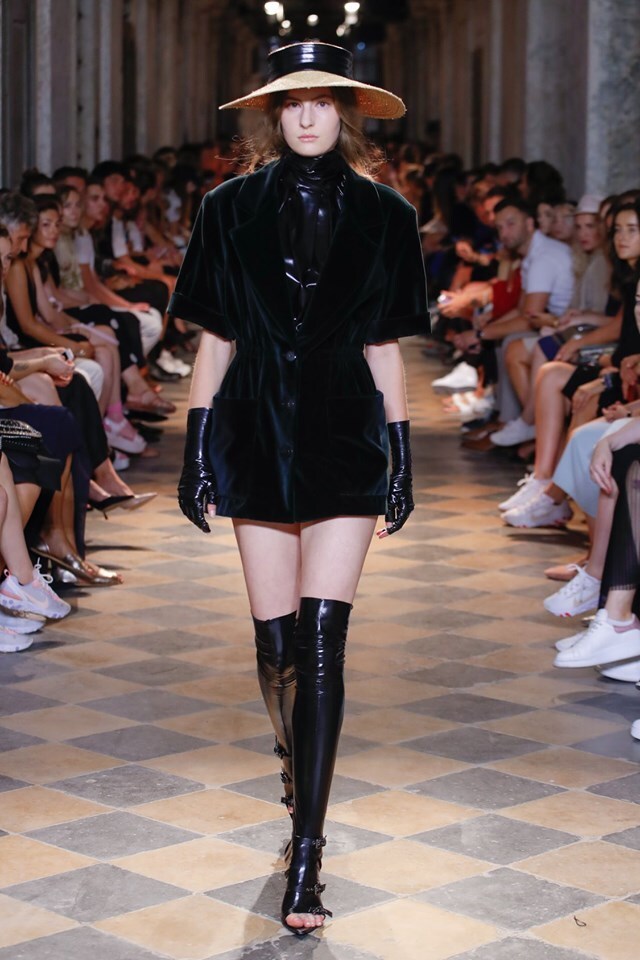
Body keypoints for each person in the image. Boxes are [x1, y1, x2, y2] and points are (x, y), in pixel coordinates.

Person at [170, 42, 428, 935]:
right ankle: (293, 764)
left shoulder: (388, 216)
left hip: (345, 435)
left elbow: (384, 345)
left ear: (344, 111)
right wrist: (195, 448)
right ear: (274, 114)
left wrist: (402, 454)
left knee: (323, 643)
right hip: (252, 431)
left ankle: (307, 852)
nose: (308, 116)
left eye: (323, 101)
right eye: (292, 102)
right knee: (276, 642)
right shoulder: (226, 208)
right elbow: (214, 339)